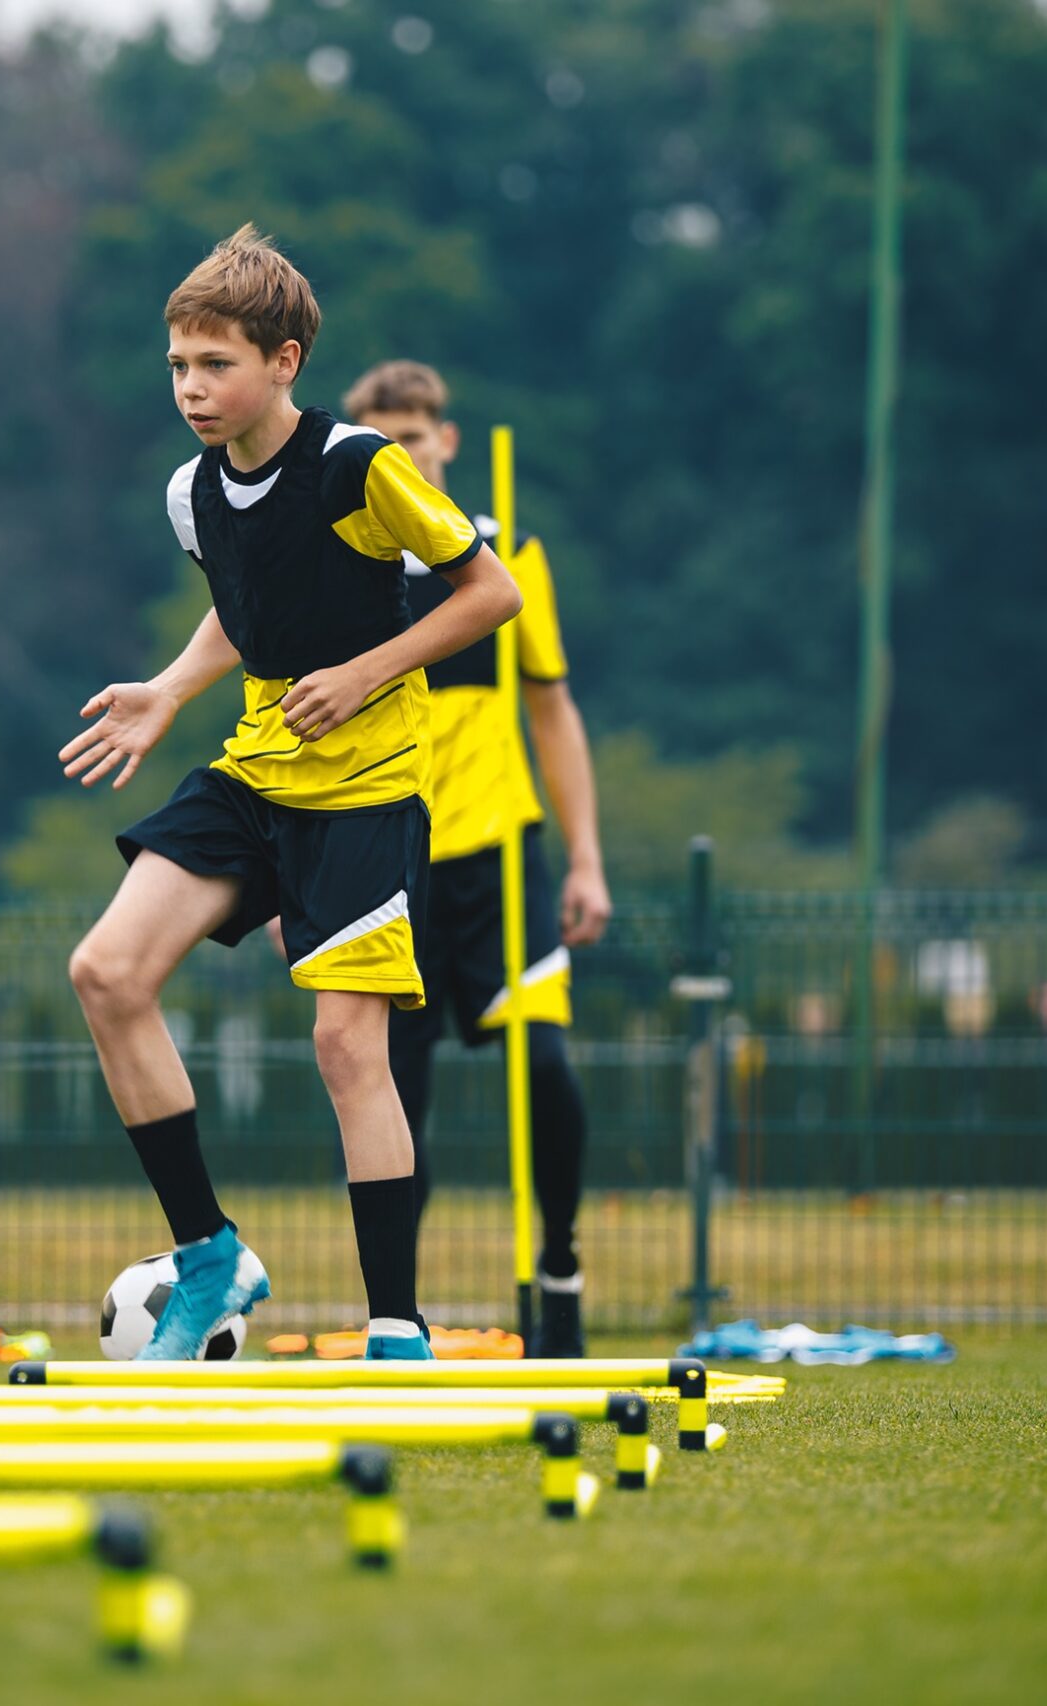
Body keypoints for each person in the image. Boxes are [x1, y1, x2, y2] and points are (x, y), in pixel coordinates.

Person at [59, 226, 521, 1364]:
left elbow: (488, 590)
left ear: (285, 360)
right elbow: (245, 600)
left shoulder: (359, 464)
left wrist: (366, 671)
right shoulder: (192, 491)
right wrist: (170, 689)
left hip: (367, 787)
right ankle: (208, 1253)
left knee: (343, 1047)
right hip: (255, 770)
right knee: (106, 972)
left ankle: (395, 1325)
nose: (190, 387)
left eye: (214, 363)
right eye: (176, 364)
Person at [342, 358, 612, 1357]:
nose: (402, 451)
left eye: (415, 435)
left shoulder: (506, 556)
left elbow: (552, 706)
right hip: (384, 852)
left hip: (499, 853)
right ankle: (393, 1310)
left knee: (542, 1066)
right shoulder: (344, 560)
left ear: (445, 442)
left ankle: (560, 1258)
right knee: (390, 1092)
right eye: (382, 439)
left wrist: (584, 857)